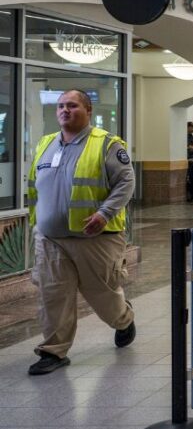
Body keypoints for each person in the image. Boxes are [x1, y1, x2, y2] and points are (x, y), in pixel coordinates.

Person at [26, 90, 136, 375]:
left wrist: (104, 213)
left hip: (95, 237)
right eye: (61, 106)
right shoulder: (45, 144)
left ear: (87, 110)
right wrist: (37, 224)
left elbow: (125, 182)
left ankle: (123, 318)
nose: (65, 110)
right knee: (53, 295)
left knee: (102, 294)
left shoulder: (107, 144)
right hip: (50, 238)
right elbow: (32, 187)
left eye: (72, 106)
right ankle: (54, 350)